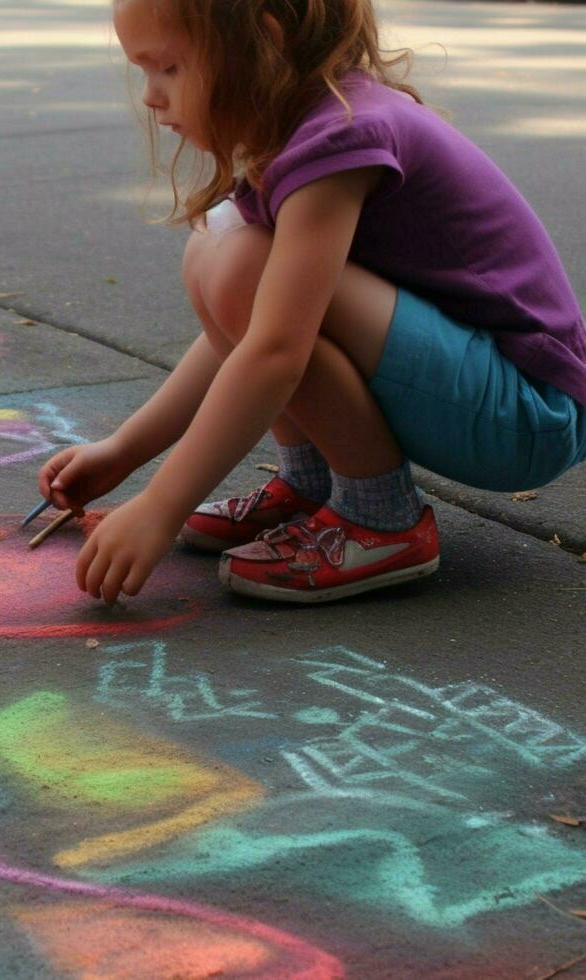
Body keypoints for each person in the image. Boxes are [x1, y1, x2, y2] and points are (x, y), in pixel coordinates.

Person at [38, 0, 586, 604]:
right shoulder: (310, 123)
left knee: (239, 262)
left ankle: (381, 519)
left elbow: (273, 350)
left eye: (168, 67)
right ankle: (310, 483)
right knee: (223, 253)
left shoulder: (340, 134)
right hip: (484, 391)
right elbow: (248, 333)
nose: (150, 95)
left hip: (527, 415)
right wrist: (124, 452)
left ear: (261, 45)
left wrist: (161, 504)